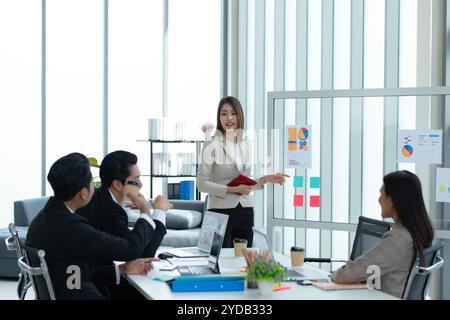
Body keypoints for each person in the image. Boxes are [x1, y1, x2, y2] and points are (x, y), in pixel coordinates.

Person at [26, 153, 158, 300]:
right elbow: (130, 250)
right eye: (91, 183)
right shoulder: (71, 227)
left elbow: (73, 273)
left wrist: (122, 269)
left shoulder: (45, 217)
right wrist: (145, 212)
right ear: (84, 193)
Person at [197, 96, 289, 248]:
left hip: (245, 210)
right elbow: (201, 184)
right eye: (224, 113)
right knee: (221, 261)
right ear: (219, 117)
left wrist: (266, 179)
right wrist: (232, 189)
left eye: (233, 113)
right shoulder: (211, 144)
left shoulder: (246, 145)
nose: (229, 118)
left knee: (243, 260)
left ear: (240, 116)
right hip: (220, 211)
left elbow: (244, 182)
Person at [330, 170, 434, 298]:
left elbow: (348, 274)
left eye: (381, 193)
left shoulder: (399, 238)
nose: (379, 198)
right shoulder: (418, 230)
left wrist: (334, 275)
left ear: (392, 199)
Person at [78, 150, 171, 262]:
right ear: (117, 184)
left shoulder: (101, 198)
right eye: (136, 180)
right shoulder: (110, 211)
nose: (141, 185)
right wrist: (159, 212)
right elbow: (142, 254)